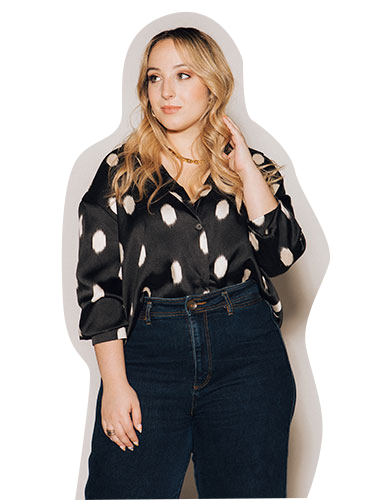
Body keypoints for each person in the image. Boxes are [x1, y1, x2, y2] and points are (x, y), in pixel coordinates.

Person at [75, 26, 306, 500]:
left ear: (212, 85)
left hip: (246, 349)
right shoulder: (121, 172)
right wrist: (114, 386)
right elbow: (99, 289)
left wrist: (245, 168)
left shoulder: (249, 168)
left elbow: (281, 254)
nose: (166, 91)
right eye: (154, 77)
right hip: (151, 352)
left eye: (183, 75)